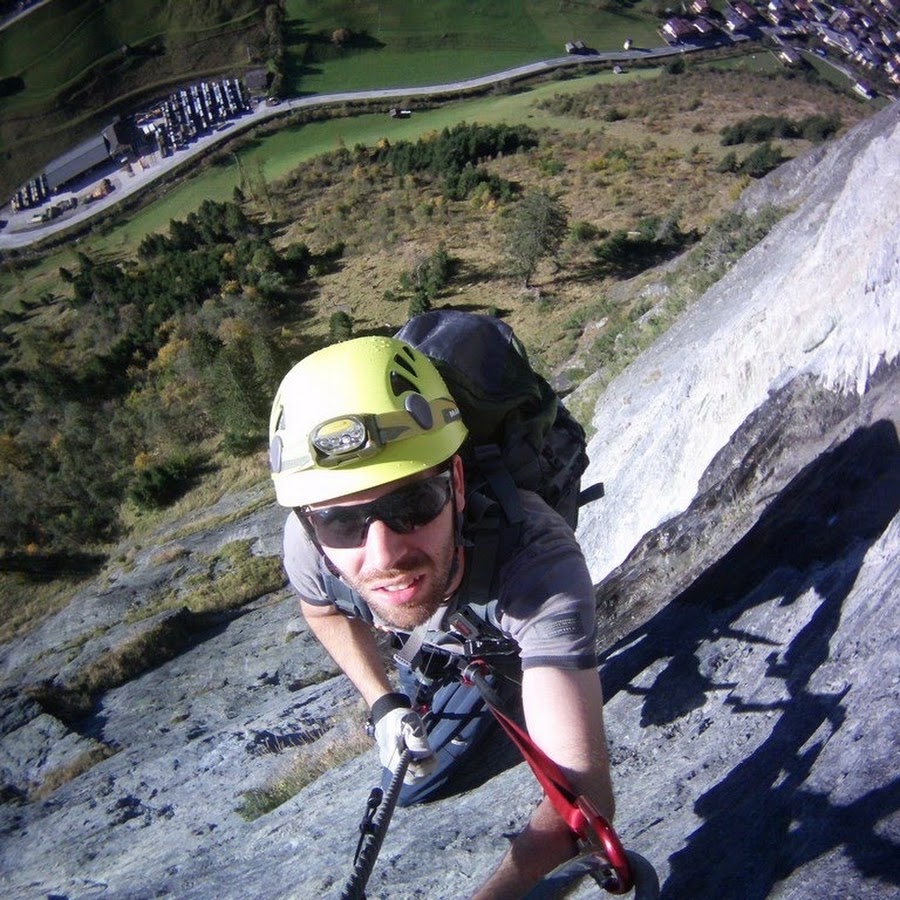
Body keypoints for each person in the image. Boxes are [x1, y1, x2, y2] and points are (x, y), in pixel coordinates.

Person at [269, 334, 615, 898]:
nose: (383, 555)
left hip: (499, 619)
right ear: (310, 522)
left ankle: (528, 674)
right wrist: (383, 704)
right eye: (341, 522)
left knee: (520, 714)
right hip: (431, 641)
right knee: (416, 786)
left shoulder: (537, 563)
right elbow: (322, 609)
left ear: (455, 482)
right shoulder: (307, 544)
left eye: (411, 505)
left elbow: (585, 801)